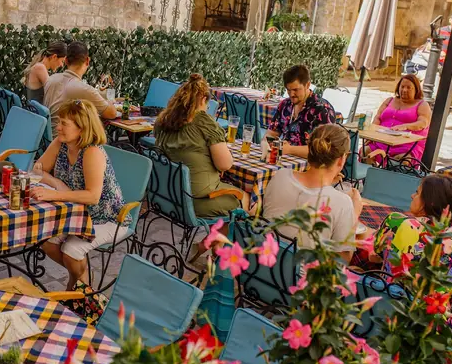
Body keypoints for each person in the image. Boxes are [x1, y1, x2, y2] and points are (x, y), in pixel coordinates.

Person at [31, 100, 128, 290]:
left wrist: (54, 195)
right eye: (59, 121)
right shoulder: (61, 143)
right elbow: (37, 170)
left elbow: (93, 197)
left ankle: (76, 287)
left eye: (64, 123)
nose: (57, 127)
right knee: (46, 242)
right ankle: (83, 280)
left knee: (70, 251)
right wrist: (57, 184)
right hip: (75, 213)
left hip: (105, 218)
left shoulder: (91, 152)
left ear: (82, 128)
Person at [373, 174, 452, 304]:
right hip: (432, 319)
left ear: (429, 202)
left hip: (385, 308)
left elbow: (373, 257)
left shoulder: (396, 222)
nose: (412, 196)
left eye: (417, 193)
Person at [263, 124, 361, 257]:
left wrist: (327, 187)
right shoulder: (342, 203)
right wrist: (354, 215)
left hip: (262, 268)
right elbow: (342, 261)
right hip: (302, 276)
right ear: (341, 159)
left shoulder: (281, 176)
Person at [154, 73, 242, 218]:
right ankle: (215, 241)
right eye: (207, 104)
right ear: (202, 99)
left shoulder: (163, 120)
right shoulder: (204, 122)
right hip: (195, 200)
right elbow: (225, 165)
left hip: (167, 196)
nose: (207, 108)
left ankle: (210, 241)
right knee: (245, 198)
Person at [43, 41, 117, 134]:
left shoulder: (51, 79)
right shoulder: (83, 89)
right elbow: (111, 113)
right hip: (65, 143)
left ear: (65, 60)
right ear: (87, 60)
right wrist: (109, 102)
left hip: (47, 140)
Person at [265, 64, 336, 159]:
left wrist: (290, 149)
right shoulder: (285, 104)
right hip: (285, 161)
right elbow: (271, 134)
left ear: (307, 85)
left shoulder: (322, 110)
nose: (291, 94)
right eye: (288, 90)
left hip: (310, 167)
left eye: (295, 90)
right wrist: (266, 144)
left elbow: (321, 150)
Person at [365, 74, 430, 165]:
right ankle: (371, 176)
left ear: (416, 89)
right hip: (382, 142)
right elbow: (378, 118)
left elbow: (423, 123)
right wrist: (371, 135)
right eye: (402, 86)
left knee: (403, 161)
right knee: (365, 151)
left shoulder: (422, 105)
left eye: (409, 87)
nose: (404, 90)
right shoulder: (389, 100)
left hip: (406, 146)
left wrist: (405, 126)